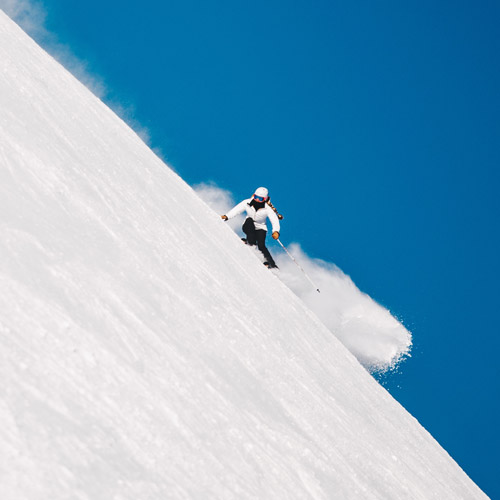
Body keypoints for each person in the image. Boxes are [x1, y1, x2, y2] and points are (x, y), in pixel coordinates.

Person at [221, 187, 280, 268]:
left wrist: (276, 231)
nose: (257, 200)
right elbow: (237, 209)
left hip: (261, 227)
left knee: (261, 245)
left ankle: (271, 264)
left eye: (260, 198)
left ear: (265, 199)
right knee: (249, 221)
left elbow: (274, 220)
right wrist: (227, 216)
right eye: (256, 197)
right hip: (248, 225)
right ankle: (250, 242)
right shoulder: (247, 202)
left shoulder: (267, 208)